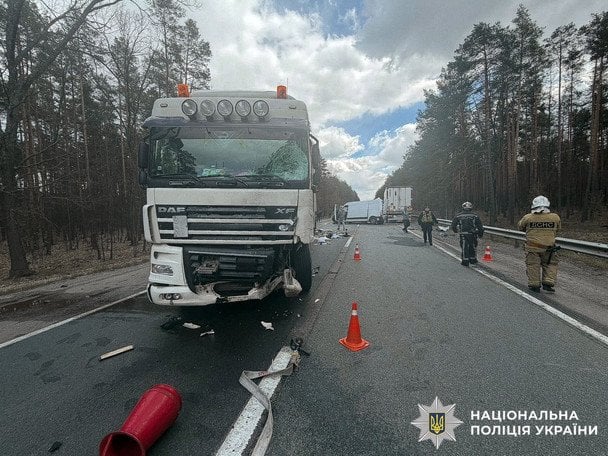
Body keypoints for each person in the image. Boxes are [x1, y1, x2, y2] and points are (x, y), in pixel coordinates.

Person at [517, 195, 561, 293]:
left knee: (533, 265)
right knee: (551, 264)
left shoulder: (528, 217)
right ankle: (548, 282)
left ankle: (535, 285)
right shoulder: (555, 217)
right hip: (549, 248)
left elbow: (520, 227)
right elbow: (558, 229)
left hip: (533, 247)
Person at [451, 201, 484, 266]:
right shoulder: (475, 215)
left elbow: (453, 225)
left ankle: (465, 261)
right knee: (473, 246)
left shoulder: (458, 215)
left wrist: (455, 231)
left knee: (464, 247)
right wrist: (480, 234)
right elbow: (480, 226)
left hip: (463, 234)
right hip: (473, 234)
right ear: (471, 208)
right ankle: (473, 260)